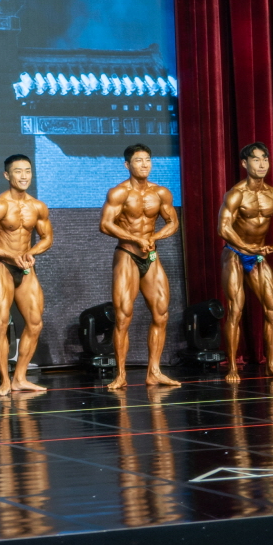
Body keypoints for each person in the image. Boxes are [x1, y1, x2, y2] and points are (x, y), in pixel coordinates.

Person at [99, 143, 181, 389]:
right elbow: (105, 224)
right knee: (123, 316)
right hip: (127, 254)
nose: (144, 165)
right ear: (127, 165)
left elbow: (172, 222)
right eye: (138, 160)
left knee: (161, 313)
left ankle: (154, 371)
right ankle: (120, 375)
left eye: (147, 160)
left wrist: (154, 237)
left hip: (150, 256)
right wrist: (135, 239)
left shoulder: (161, 193)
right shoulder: (119, 193)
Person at [217, 142, 273, 383]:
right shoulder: (236, 194)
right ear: (245, 163)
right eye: (256, 159)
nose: (262, 164)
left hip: (258, 256)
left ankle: (272, 365)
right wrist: (246, 246)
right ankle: (232, 367)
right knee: (235, 309)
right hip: (234, 253)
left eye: (265, 159)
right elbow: (223, 228)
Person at [0, 154, 52, 398]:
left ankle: (19, 378)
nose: (24, 176)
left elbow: (47, 238)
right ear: (7, 175)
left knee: (35, 323)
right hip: (4, 269)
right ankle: (5, 381)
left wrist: (31, 252)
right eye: (18, 171)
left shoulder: (37, 207)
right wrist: (11, 255)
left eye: (27, 171)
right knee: (0, 323)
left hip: (26, 269)